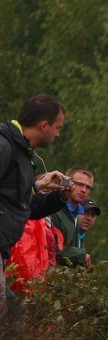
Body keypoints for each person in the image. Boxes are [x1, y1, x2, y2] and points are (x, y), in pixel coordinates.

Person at [0, 94, 71, 310]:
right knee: (11, 317)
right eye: (57, 128)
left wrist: (54, 195)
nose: (58, 134)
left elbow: (23, 207)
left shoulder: (22, 153)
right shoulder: (4, 146)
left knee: (14, 316)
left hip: (3, 249)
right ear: (44, 125)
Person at [53, 167, 94, 267]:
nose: (83, 190)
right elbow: (47, 248)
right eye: (79, 184)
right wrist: (80, 256)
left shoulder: (75, 217)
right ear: (68, 182)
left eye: (88, 187)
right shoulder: (53, 211)